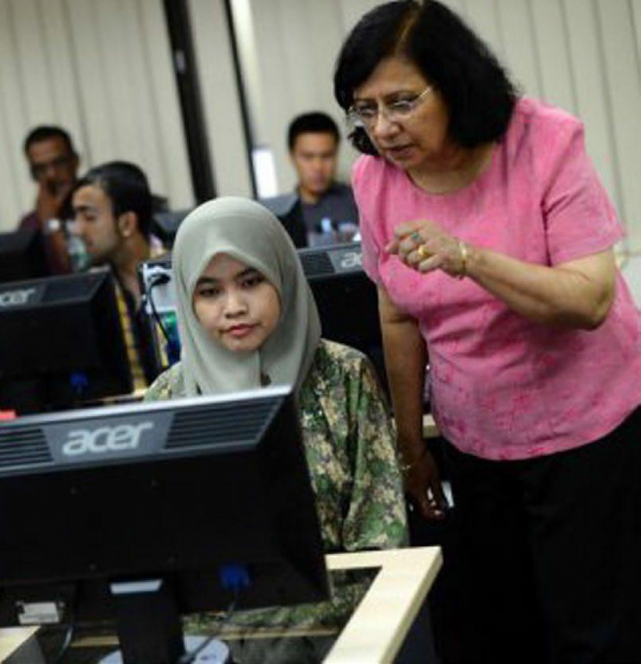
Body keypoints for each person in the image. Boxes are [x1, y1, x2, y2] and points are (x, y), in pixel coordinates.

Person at [335, 1, 641, 660]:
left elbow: (588, 299)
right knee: (503, 629)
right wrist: (410, 443)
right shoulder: (375, 181)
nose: (383, 128)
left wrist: (468, 259)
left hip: (588, 432)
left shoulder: (545, 142)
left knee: (594, 632)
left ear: (456, 81)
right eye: (365, 109)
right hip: (477, 438)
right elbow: (397, 314)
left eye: (402, 102)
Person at [144, 197, 406, 661]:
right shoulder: (169, 399)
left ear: (282, 274)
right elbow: (159, 553)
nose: (233, 307)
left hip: (338, 634)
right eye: (209, 292)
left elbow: (380, 541)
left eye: (250, 281)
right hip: (210, 644)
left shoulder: (344, 375)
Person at [69, 161, 165, 389]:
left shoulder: (181, 270)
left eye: (89, 217)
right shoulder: (91, 290)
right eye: (76, 217)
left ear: (126, 223)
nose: (77, 229)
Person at [264, 112, 359, 248]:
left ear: (336, 154)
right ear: (292, 156)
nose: (318, 166)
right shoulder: (281, 216)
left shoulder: (360, 201)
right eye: (308, 157)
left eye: (326, 156)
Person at [18, 126, 80, 274]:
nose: (51, 175)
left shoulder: (97, 213)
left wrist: (51, 220)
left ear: (75, 162)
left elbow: (79, 271)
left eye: (59, 163)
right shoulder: (30, 225)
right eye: (40, 169)